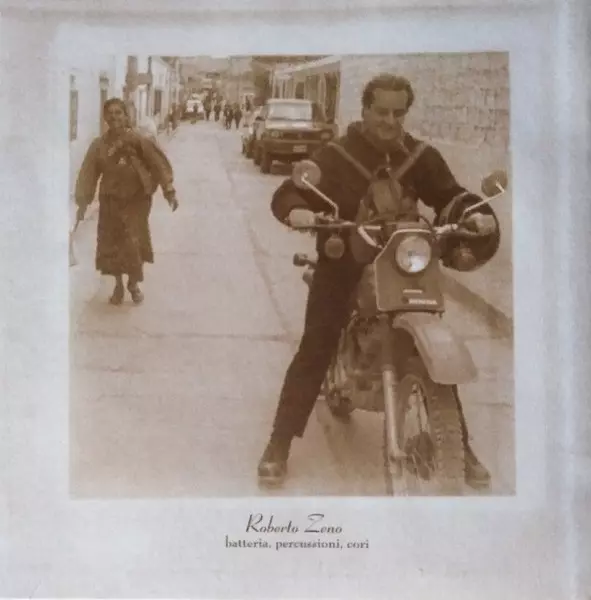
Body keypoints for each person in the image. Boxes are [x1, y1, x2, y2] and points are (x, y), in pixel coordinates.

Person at [257, 73, 497, 490]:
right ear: (365, 109)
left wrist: (474, 213)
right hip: (345, 262)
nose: (390, 121)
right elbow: (289, 192)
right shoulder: (336, 154)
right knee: (316, 346)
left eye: (398, 113)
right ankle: (279, 443)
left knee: (432, 348)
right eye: (381, 111)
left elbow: (450, 195)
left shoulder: (420, 156)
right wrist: (299, 211)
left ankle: (458, 444)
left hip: (404, 264)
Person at [75, 98, 178, 306]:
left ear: (125, 116)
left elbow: (157, 163)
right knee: (113, 245)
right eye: (110, 113)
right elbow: (88, 174)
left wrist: (169, 190)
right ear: (105, 118)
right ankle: (118, 285)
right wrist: (83, 203)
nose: (114, 117)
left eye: (118, 113)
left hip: (136, 202)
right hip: (110, 202)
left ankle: (133, 283)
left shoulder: (138, 140)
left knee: (133, 243)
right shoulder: (99, 146)